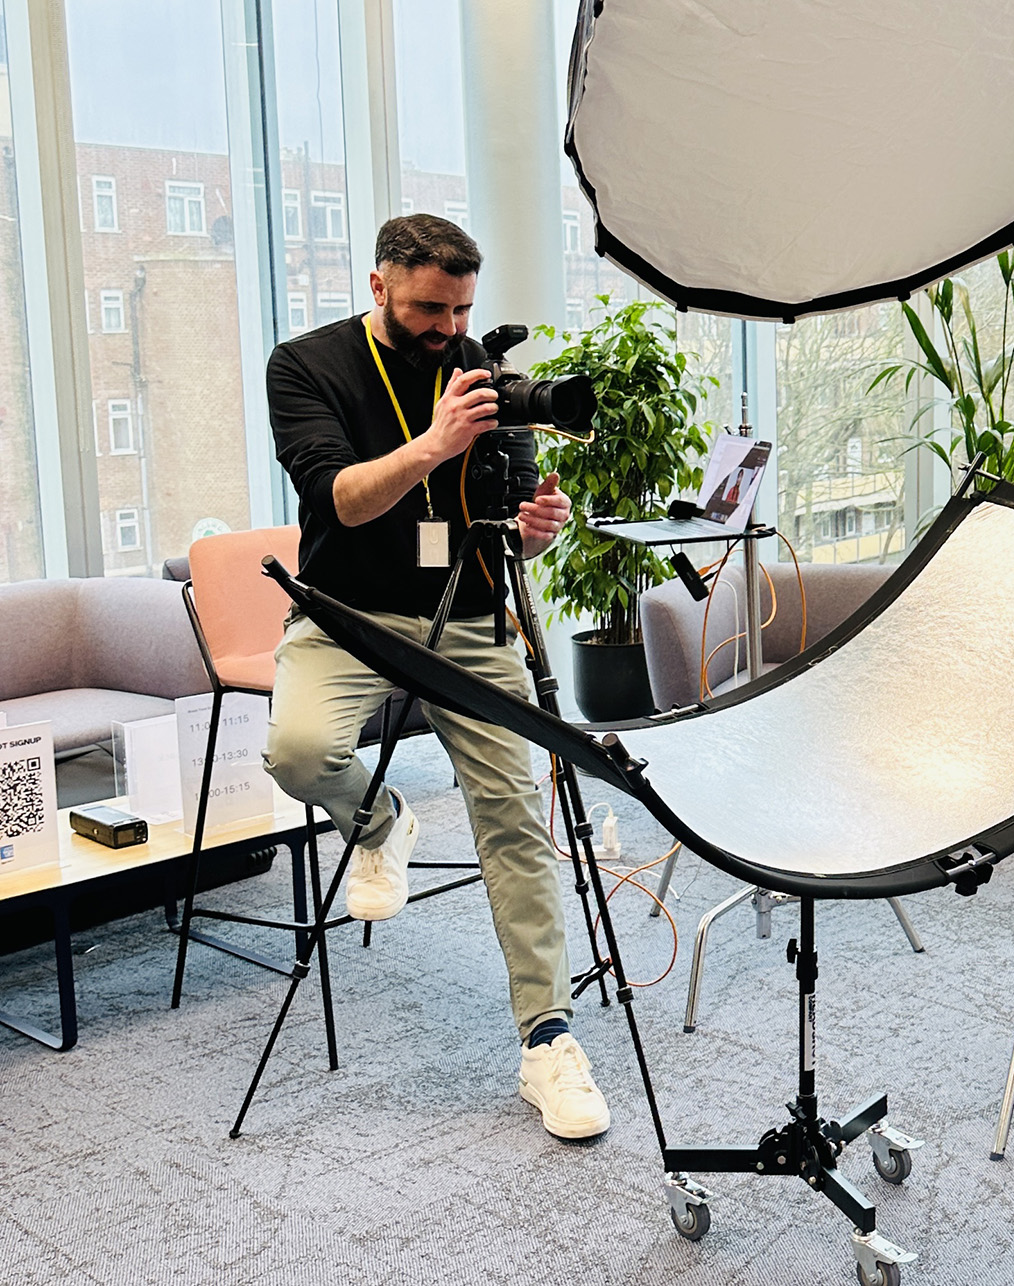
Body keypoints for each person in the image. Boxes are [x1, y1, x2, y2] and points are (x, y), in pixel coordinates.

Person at [263, 214, 610, 1141]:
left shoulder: (483, 375)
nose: (448, 327)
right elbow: (339, 495)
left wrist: (534, 531)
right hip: (347, 613)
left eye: (461, 307)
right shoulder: (305, 366)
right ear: (379, 286)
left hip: (468, 616)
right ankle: (381, 821)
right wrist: (432, 443)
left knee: (515, 818)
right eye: (427, 306)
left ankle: (548, 1039)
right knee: (299, 753)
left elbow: (509, 512)